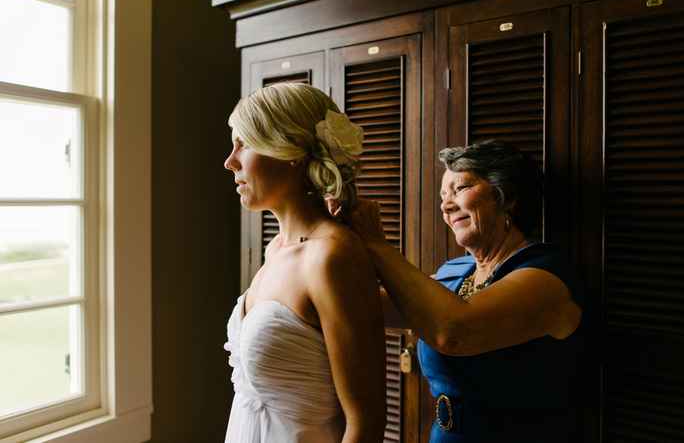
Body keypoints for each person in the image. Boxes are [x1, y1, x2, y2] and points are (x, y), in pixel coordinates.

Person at [340, 139, 589, 441]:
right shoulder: (456, 273)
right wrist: (329, 235)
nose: (446, 205)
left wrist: (376, 243)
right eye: (443, 195)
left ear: (506, 197)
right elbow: (364, 309)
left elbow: (453, 332)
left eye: (460, 189)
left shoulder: (546, 275)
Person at [222, 82, 387, 442]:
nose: (229, 161)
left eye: (243, 144)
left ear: (290, 152)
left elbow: (366, 423)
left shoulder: (332, 256)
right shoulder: (275, 250)